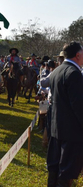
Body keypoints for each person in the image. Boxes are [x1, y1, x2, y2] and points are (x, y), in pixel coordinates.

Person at [46, 41, 83, 186]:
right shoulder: (74, 73)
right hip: (71, 132)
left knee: (54, 168)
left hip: (56, 129)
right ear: (78, 55)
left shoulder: (57, 70)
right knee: (66, 171)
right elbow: (79, 106)